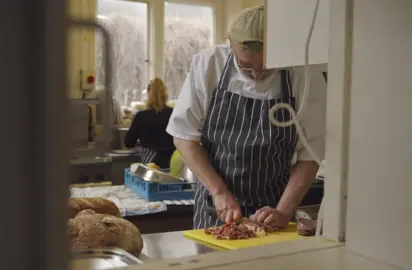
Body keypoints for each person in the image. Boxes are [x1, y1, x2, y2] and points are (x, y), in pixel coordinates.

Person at [166, 6, 326, 229]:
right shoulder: (209, 64)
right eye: (246, 66)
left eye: (266, 67)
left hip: (275, 210)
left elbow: (312, 152)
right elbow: (184, 137)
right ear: (231, 44)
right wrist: (219, 191)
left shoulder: (303, 74)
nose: (257, 75)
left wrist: (283, 210)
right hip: (215, 207)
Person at [124, 77, 176, 168]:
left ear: (148, 94)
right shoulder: (174, 114)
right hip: (172, 161)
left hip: (150, 163)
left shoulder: (141, 116)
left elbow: (129, 143)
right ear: (165, 94)